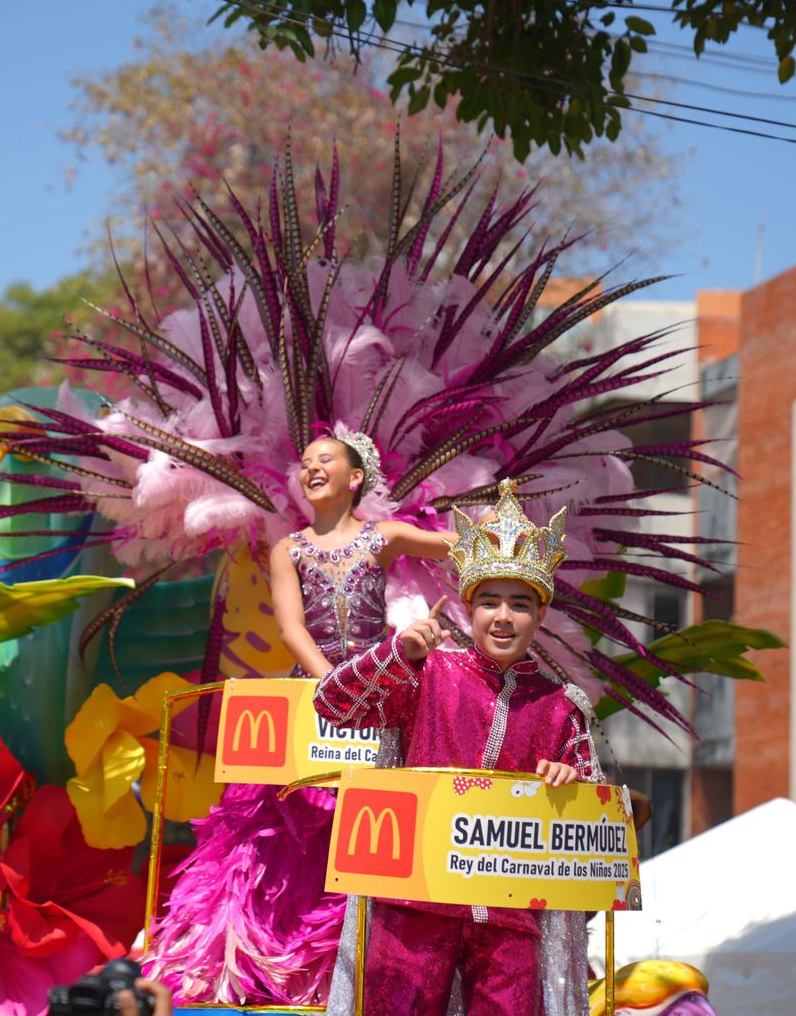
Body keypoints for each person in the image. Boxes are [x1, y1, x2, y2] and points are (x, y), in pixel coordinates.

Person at [143, 431, 455, 1007]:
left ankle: (354, 970)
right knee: (285, 832)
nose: (311, 469)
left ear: (355, 477)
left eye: (325, 460)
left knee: (371, 829)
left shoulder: (382, 536)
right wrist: (334, 685)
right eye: (305, 463)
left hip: (380, 701)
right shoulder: (287, 549)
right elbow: (292, 628)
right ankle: (277, 968)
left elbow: (463, 549)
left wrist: (508, 553)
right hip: (313, 703)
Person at [314, 478, 605, 1016]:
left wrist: (572, 785)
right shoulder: (428, 673)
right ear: (469, 610)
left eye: (519, 604)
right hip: (414, 903)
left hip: (509, 918)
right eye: (489, 601)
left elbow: (590, 825)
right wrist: (396, 654)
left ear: (539, 617)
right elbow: (332, 704)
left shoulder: (561, 707)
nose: (503, 616)